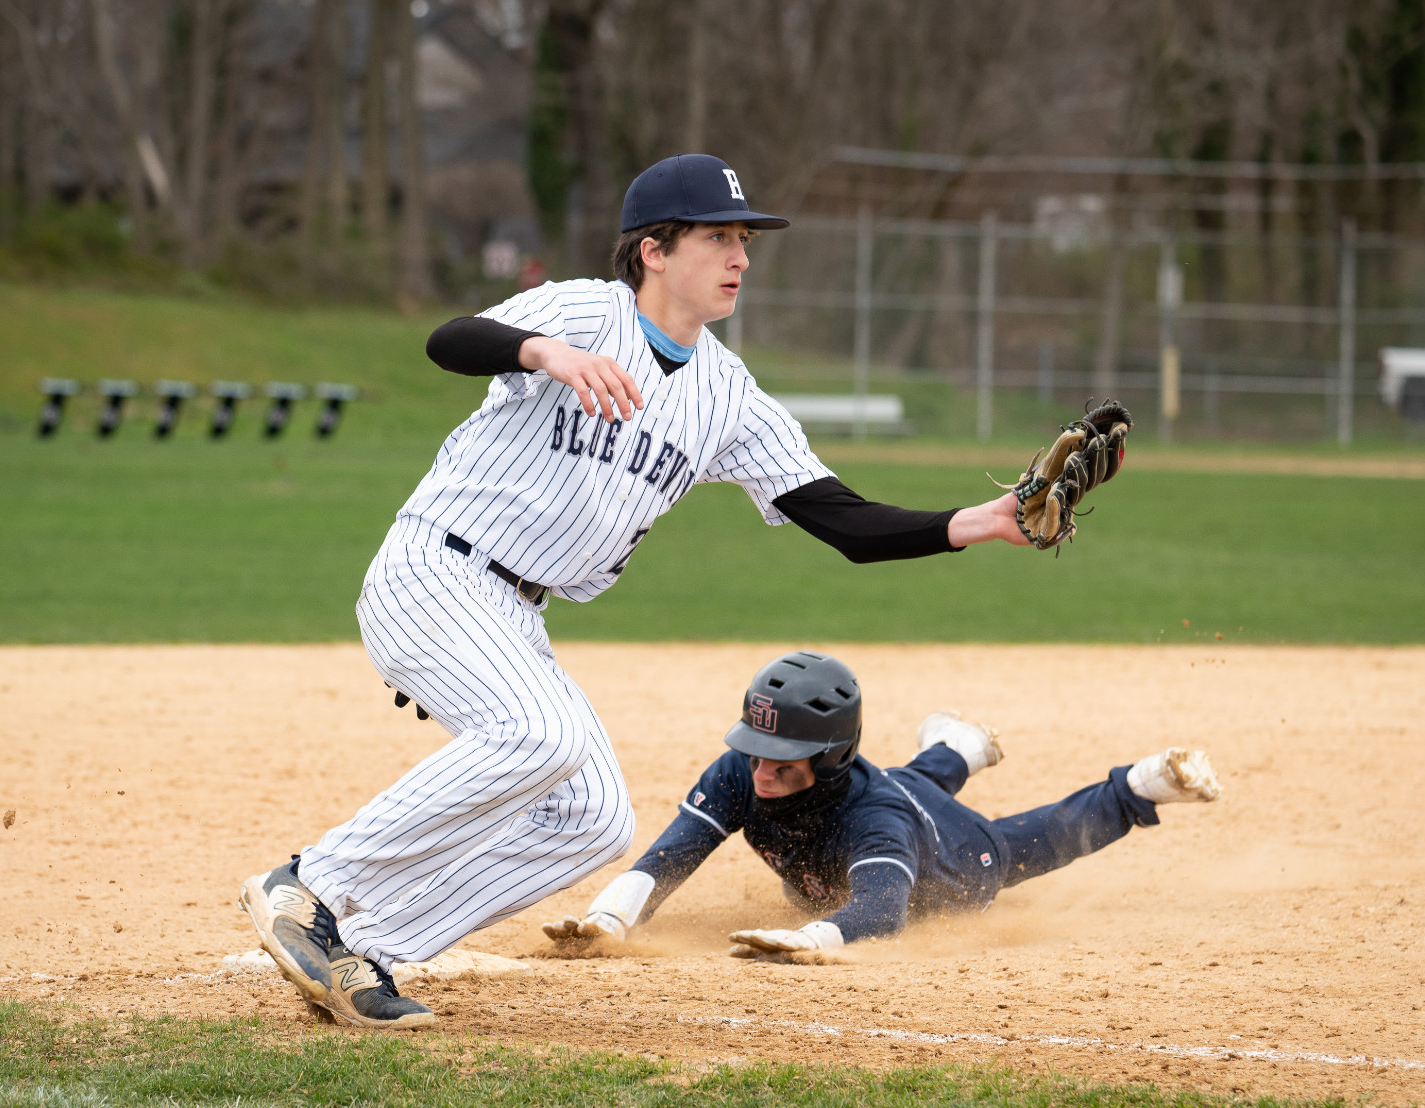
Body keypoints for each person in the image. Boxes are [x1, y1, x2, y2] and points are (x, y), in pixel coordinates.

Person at [238, 155, 1035, 1028]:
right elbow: (450, 340)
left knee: (594, 820)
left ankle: (366, 949)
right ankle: (312, 883)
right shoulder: (587, 309)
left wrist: (978, 521)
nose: (739, 256)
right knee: (537, 735)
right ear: (654, 249)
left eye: (745, 240)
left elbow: (842, 521)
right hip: (435, 568)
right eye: (718, 237)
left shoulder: (728, 394)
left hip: (513, 610)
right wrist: (542, 350)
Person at [542, 651, 1221, 957]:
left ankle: (1134, 787)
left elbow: (882, 912)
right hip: (884, 790)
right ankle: (956, 746)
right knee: (906, 777)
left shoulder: (878, 819)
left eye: (781, 757)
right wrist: (610, 918)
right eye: (753, 748)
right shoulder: (746, 769)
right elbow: (673, 853)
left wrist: (812, 940)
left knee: (1013, 843)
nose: (760, 769)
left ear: (830, 752)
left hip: (956, 861)